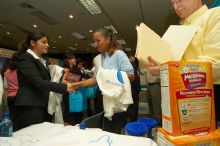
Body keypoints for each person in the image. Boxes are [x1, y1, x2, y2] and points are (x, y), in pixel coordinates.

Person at [146, 0, 220, 125]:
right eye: (172, 3)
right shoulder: (177, 29)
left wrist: (168, 70)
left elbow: (215, 63)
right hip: (181, 95)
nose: (175, 7)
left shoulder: (215, 15)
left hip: (208, 95)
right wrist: (161, 67)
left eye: (179, 0)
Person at [72, 28, 134, 134]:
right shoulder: (99, 59)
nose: (95, 44)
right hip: (102, 99)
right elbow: (96, 79)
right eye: (94, 42)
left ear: (108, 39)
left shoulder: (119, 54)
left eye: (98, 41)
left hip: (116, 100)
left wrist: (111, 76)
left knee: (113, 131)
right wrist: (78, 84)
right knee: (103, 130)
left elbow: (131, 76)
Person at [14, 32, 74, 131]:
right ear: (33, 43)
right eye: (44, 42)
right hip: (30, 106)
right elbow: (39, 82)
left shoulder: (40, 60)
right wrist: (64, 87)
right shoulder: (26, 58)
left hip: (41, 104)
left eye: (47, 42)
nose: (47, 45)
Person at [62, 55, 84, 125]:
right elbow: (62, 81)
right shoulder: (66, 69)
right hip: (67, 93)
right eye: (73, 58)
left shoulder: (77, 69)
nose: (75, 60)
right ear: (69, 60)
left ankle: (76, 125)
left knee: (77, 111)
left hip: (76, 92)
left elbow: (80, 80)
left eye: (75, 58)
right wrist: (72, 84)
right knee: (69, 112)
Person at [3, 53, 19, 125]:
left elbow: (6, 86)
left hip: (10, 97)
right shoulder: (20, 71)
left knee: (12, 118)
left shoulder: (6, 72)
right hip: (19, 96)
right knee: (20, 118)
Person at [126, 52, 141, 122]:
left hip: (129, 90)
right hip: (133, 90)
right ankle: (133, 121)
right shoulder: (132, 64)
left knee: (130, 107)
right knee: (134, 108)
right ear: (131, 58)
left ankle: (130, 120)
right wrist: (139, 90)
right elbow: (136, 78)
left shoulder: (125, 66)